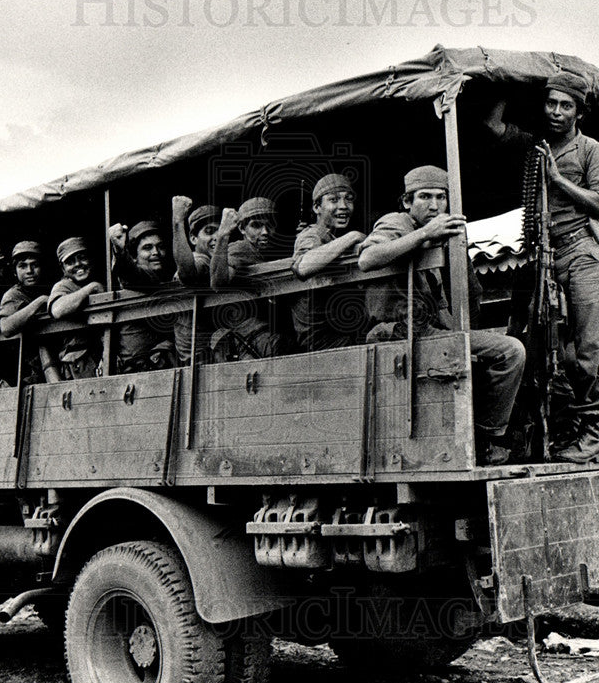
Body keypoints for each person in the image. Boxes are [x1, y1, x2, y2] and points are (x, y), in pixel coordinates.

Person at [484, 72, 599, 463]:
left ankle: (592, 436)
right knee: (547, 352)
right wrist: (512, 84)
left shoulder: (592, 150)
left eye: (566, 105)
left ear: (579, 112)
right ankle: (557, 431)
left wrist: (557, 180)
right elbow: (492, 124)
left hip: (584, 254)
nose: (556, 112)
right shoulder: (535, 146)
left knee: (592, 349)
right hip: (546, 260)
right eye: (551, 103)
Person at [358, 165, 526, 465]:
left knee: (507, 349)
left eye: (441, 197)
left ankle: (487, 435)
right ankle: (487, 438)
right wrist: (426, 232)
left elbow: (469, 294)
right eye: (424, 197)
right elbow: (367, 259)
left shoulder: (440, 233)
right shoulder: (396, 223)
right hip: (397, 333)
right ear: (407, 202)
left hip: (428, 333)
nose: (434, 205)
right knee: (511, 352)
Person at [291, 173, 368, 351]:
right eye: (333, 200)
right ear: (317, 207)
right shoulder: (313, 234)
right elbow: (303, 267)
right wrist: (353, 236)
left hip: (342, 333)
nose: (343, 206)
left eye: (348, 200)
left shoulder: (330, 237)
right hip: (323, 342)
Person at [209, 197, 286, 360]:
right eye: (256, 225)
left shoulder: (267, 251)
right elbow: (217, 281)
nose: (265, 232)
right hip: (252, 341)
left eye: (269, 225)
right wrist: (223, 235)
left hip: (265, 338)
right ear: (242, 229)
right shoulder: (241, 248)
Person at [108, 220, 177, 372]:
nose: (155, 253)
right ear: (134, 256)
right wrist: (119, 251)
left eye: (160, 247)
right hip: (136, 371)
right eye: (147, 248)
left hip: (158, 367)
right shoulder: (141, 276)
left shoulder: (164, 277)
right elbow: (130, 273)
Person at [0, 241, 60, 384]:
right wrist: (40, 301)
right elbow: (6, 327)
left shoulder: (50, 287)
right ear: (14, 271)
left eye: (35, 265)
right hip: (27, 369)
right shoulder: (13, 295)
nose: (29, 271)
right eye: (22, 266)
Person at [171, 197, 222, 365]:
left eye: (220, 231)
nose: (216, 237)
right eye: (209, 231)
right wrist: (178, 221)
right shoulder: (201, 259)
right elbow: (187, 274)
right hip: (199, 362)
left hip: (205, 358)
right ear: (193, 239)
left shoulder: (216, 261)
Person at [48, 236, 105, 380]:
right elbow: (57, 309)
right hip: (81, 365)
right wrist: (92, 288)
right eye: (70, 262)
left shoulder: (98, 277)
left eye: (82, 258)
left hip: (102, 355)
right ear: (62, 268)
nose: (78, 264)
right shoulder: (63, 286)